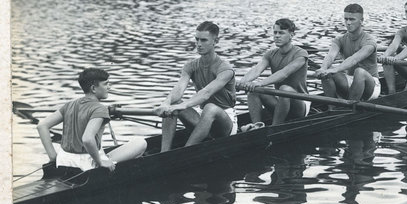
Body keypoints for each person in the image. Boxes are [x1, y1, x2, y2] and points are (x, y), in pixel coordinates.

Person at [37, 67, 147, 173]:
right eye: (106, 84)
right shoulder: (100, 108)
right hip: (86, 165)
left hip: (63, 161)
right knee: (140, 143)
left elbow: (42, 126)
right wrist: (100, 162)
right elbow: (87, 139)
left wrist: (53, 157)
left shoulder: (69, 105)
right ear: (94, 88)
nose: (109, 87)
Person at [156, 21, 238, 151]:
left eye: (204, 40)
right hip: (202, 117)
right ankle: (163, 153)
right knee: (173, 102)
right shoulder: (190, 66)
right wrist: (166, 103)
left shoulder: (225, 69)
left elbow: (206, 93)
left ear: (215, 41)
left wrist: (182, 106)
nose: (199, 44)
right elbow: (179, 88)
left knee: (210, 107)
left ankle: (187, 151)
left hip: (225, 123)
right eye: (197, 39)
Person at [237, 18, 310, 126]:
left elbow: (283, 73)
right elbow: (257, 69)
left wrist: (259, 83)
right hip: (281, 100)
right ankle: (256, 127)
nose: (276, 36)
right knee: (254, 90)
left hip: (300, 104)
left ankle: (275, 127)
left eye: (281, 33)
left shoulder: (301, 54)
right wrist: (241, 83)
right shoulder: (270, 54)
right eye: (275, 32)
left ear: (291, 35)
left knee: (284, 89)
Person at [316, 3, 380, 101]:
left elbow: (354, 59)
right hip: (350, 80)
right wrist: (323, 69)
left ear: (361, 21)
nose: (348, 23)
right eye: (346, 19)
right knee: (327, 70)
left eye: (352, 19)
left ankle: (350, 109)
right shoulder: (339, 39)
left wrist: (335, 70)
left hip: (371, 85)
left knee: (359, 72)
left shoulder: (369, 42)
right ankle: (332, 108)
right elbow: (330, 56)